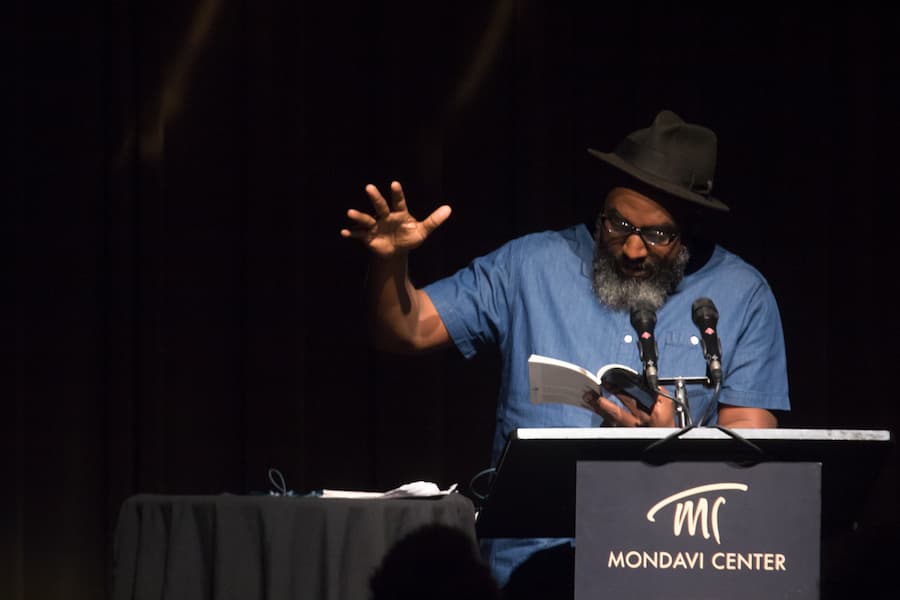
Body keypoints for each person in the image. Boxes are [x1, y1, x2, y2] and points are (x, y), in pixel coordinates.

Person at [340, 109, 790, 590]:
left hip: (669, 563)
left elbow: (753, 450)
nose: (633, 249)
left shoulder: (741, 294)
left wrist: (673, 440)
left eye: (657, 235)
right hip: (531, 566)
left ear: (690, 228)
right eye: (618, 224)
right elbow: (403, 331)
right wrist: (391, 265)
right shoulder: (531, 265)